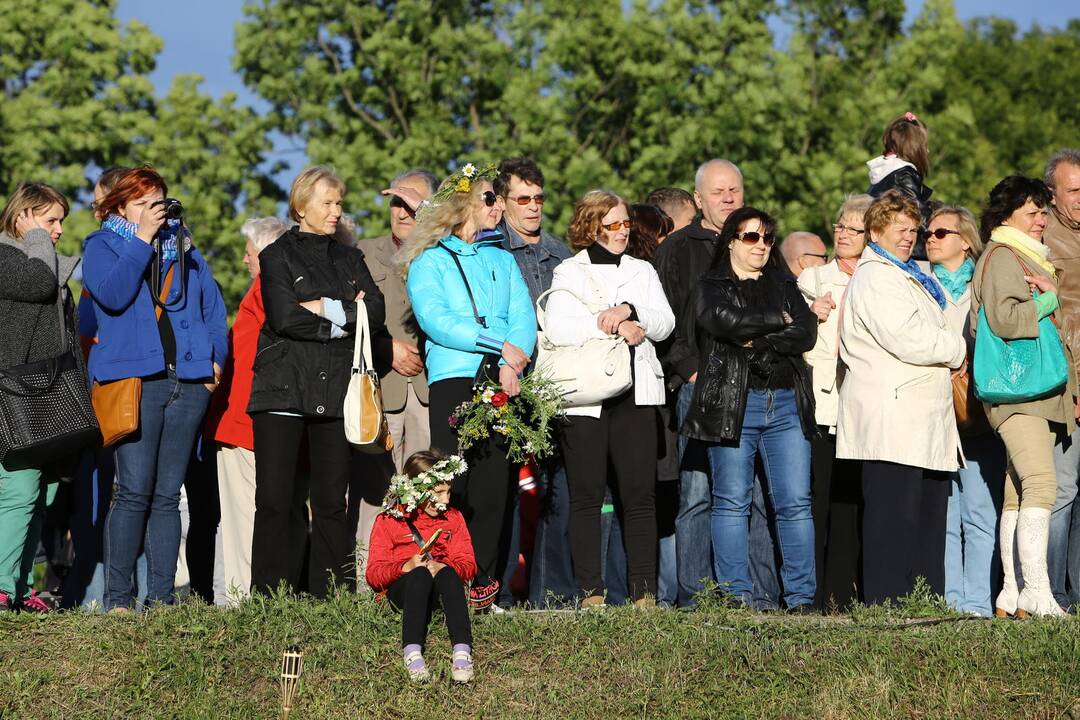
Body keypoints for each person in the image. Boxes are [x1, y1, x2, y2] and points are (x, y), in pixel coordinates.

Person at [82, 166, 229, 611]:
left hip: (187, 383)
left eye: (158, 202)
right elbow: (111, 295)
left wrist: (213, 364)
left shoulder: (184, 247)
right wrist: (142, 240)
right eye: (143, 203)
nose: (154, 211)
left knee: (168, 495)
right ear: (120, 206)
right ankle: (119, 599)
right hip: (135, 381)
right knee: (132, 491)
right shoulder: (102, 246)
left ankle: (162, 599)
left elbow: (212, 307)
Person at [247, 166, 387, 599]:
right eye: (326, 203)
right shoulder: (276, 255)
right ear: (301, 207)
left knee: (331, 501)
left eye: (339, 202)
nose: (336, 211)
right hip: (283, 386)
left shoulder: (350, 258)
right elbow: (284, 318)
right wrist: (345, 317)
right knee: (275, 499)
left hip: (337, 388)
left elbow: (376, 312)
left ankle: (332, 596)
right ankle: (269, 598)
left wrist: (324, 307)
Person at [402, 162, 536, 609]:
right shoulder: (430, 260)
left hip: (503, 376)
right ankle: (447, 578)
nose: (498, 206)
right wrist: (496, 343)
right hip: (455, 377)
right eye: (490, 198)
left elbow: (523, 316)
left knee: (495, 484)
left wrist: (511, 361)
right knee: (452, 481)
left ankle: (484, 585)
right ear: (465, 203)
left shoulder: (502, 259)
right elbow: (437, 321)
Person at [682, 206, 818, 612]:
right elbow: (724, 323)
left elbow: (806, 331)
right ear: (731, 241)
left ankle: (801, 598)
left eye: (767, 238)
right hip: (733, 406)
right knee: (731, 501)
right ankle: (736, 596)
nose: (761, 246)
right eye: (751, 237)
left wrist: (760, 336)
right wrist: (778, 320)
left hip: (786, 405)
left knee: (795, 502)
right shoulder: (711, 285)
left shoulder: (783, 282)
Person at [544, 190, 675, 607]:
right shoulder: (569, 271)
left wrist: (631, 310)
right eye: (612, 225)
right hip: (586, 397)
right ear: (591, 226)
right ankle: (591, 592)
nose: (622, 232)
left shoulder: (642, 270)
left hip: (637, 393)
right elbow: (561, 326)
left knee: (639, 496)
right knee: (585, 495)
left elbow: (665, 322)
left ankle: (643, 594)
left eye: (625, 224)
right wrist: (616, 325)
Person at [836, 190, 965, 605]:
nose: (909, 237)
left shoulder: (909, 274)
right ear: (875, 231)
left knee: (925, 521)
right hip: (893, 421)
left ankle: (924, 607)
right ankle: (886, 611)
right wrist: (958, 350)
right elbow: (908, 337)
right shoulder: (876, 276)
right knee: (893, 523)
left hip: (920, 420)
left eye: (913, 230)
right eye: (900, 230)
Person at [972, 176, 1076, 618]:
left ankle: (1012, 593)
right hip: (1019, 393)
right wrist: (1050, 301)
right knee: (1042, 484)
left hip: (1026, 393)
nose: (1041, 220)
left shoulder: (1018, 254)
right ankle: (1037, 591)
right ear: (1007, 214)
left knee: (1016, 491)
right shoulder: (1003, 257)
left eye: (1043, 211)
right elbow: (1006, 319)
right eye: (1032, 212)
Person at [493, 157, 574, 607]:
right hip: (508, 383)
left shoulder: (562, 254)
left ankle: (554, 595)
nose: (532, 207)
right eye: (522, 198)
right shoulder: (491, 252)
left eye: (539, 198)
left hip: (556, 387)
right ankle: (498, 591)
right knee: (503, 490)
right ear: (502, 201)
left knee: (556, 492)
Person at [202, 216, 288, 604]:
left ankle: (242, 601)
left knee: (242, 519)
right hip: (259, 421)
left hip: (244, 421)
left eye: (250, 252)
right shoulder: (276, 292)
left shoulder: (265, 292)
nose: (243, 259)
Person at [0, 182, 77, 613]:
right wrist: (34, 239)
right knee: (20, 486)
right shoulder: (5, 255)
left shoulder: (41, 258)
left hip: (46, 396)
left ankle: (19, 583)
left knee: (44, 492)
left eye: (61, 220)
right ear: (21, 218)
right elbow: (36, 284)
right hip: (10, 394)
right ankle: (2, 585)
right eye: (50, 220)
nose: (59, 230)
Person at [926, 205, 1004, 617]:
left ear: (965, 241)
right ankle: (950, 604)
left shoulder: (986, 280)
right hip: (932, 413)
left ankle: (977, 604)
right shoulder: (917, 282)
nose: (930, 237)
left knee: (978, 511)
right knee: (943, 513)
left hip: (978, 412)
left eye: (941, 232)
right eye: (928, 231)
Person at [797, 194, 872, 611]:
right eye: (840, 226)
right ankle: (814, 592)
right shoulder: (813, 279)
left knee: (852, 501)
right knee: (819, 499)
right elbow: (798, 340)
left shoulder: (879, 278)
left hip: (865, 405)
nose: (842, 234)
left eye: (853, 229)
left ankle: (843, 594)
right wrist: (810, 313)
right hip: (824, 404)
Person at [366, 452, 477, 683]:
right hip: (404, 589)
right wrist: (404, 566)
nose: (446, 500)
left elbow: (468, 564)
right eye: (438, 493)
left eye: (448, 492)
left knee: (446, 573)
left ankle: (462, 652)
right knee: (419, 574)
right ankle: (413, 653)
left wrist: (442, 565)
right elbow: (373, 575)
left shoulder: (453, 518)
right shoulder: (390, 520)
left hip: (441, 590)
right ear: (417, 490)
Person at [627, 202, 678, 605]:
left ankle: (653, 591)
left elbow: (664, 323)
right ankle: (652, 590)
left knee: (647, 497)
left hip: (652, 393)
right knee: (645, 497)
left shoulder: (648, 278)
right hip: (643, 398)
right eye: (662, 234)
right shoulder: (644, 273)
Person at [1042, 149, 1080, 611]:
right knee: (1062, 490)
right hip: (1065, 385)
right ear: (1052, 194)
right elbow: (1054, 322)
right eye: (1074, 190)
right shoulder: (1045, 240)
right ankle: (1050, 591)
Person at [867, 112, 933, 260]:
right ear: (915, 147)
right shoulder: (904, 176)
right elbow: (918, 217)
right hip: (908, 253)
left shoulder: (882, 175)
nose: (927, 151)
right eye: (925, 146)